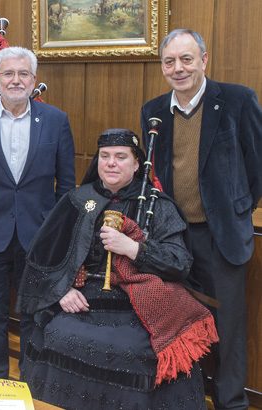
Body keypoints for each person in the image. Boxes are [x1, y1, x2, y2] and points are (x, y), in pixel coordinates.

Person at [17, 129, 217, 409]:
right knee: (57, 335)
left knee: (136, 351)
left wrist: (133, 248)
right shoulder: (76, 200)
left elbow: (179, 263)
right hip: (85, 295)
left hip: (137, 300)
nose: (111, 163)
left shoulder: (158, 205)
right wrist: (60, 291)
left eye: (121, 157)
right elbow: (42, 259)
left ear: (137, 164)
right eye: (105, 156)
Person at [140, 28, 262, 410]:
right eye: (170, 61)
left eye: (186, 59)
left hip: (222, 236)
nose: (179, 69)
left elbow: (257, 166)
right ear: (162, 67)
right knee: (179, 321)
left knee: (228, 327)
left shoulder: (238, 101)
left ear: (204, 60)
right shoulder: (153, 111)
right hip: (174, 237)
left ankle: (232, 403)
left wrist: (237, 208)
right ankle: (186, 398)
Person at [0, 46, 75, 378]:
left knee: (36, 311)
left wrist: (60, 239)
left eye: (24, 74)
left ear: (34, 80)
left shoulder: (56, 120)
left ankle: (32, 378)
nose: (16, 80)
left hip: (39, 236)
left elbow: (67, 189)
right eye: (8, 73)